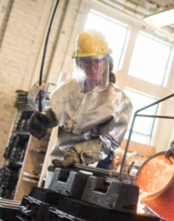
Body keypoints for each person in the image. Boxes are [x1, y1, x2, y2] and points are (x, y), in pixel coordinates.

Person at [29, 30, 132, 170]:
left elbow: (110, 142)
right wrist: (42, 119)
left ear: (107, 62)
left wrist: (79, 153)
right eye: (86, 61)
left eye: (97, 61)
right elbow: (56, 114)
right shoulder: (67, 89)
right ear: (79, 63)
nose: (92, 67)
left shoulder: (119, 100)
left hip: (93, 165)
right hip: (60, 160)